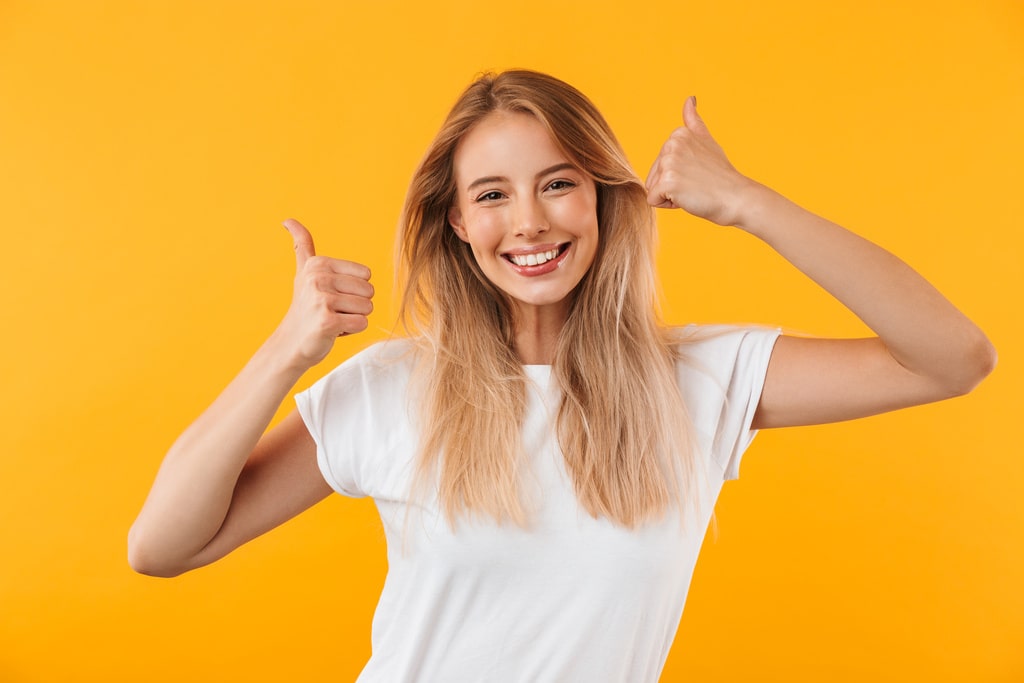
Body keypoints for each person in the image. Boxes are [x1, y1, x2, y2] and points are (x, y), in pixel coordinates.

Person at [128, 70, 995, 681]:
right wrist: (287, 350)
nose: (530, 221)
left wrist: (747, 203)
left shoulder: (698, 380)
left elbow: (953, 358)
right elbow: (160, 546)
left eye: (558, 182)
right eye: (494, 194)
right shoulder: (395, 387)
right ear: (458, 222)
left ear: (602, 198)